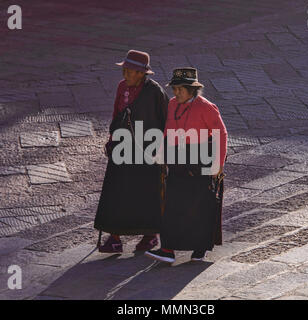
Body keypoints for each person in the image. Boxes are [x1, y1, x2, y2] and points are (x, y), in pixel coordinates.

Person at [144, 67, 228, 263]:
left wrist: (219, 164)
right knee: (171, 204)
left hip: (200, 160)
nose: (176, 93)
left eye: (180, 89)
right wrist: (161, 154)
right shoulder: (172, 105)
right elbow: (167, 130)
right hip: (177, 160)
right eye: (175, 89)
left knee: (199, 205)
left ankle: (199, 248)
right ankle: (167, 250)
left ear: (192, 90)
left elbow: (221, 134)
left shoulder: (206, 107)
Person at [94, 50, 169, 253]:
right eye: (125, 70)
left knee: (146, 192)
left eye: (130, 71)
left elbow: (166, 121)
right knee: (116, 191)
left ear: (142, 73)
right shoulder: (122, 87)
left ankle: (150, 235)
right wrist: (112, 140)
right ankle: (115, 238)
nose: (125, 74)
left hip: (147, 150)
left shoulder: (155, 92)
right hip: (123, 146)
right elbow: (116, 112)